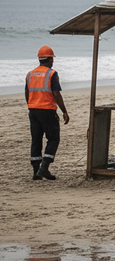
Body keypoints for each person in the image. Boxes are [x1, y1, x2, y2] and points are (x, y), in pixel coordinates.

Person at [26, 46, 69, 180]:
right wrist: (64, 111)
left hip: (33, 110)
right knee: (53, 138)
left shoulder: (30, 74)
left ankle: (36, 172)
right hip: (48, 110)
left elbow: (27, 93)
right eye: (52, 59)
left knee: (36, 139)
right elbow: (56, 93)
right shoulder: (51, 73)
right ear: (50, 59)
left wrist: (32, 105)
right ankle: (44, 168)